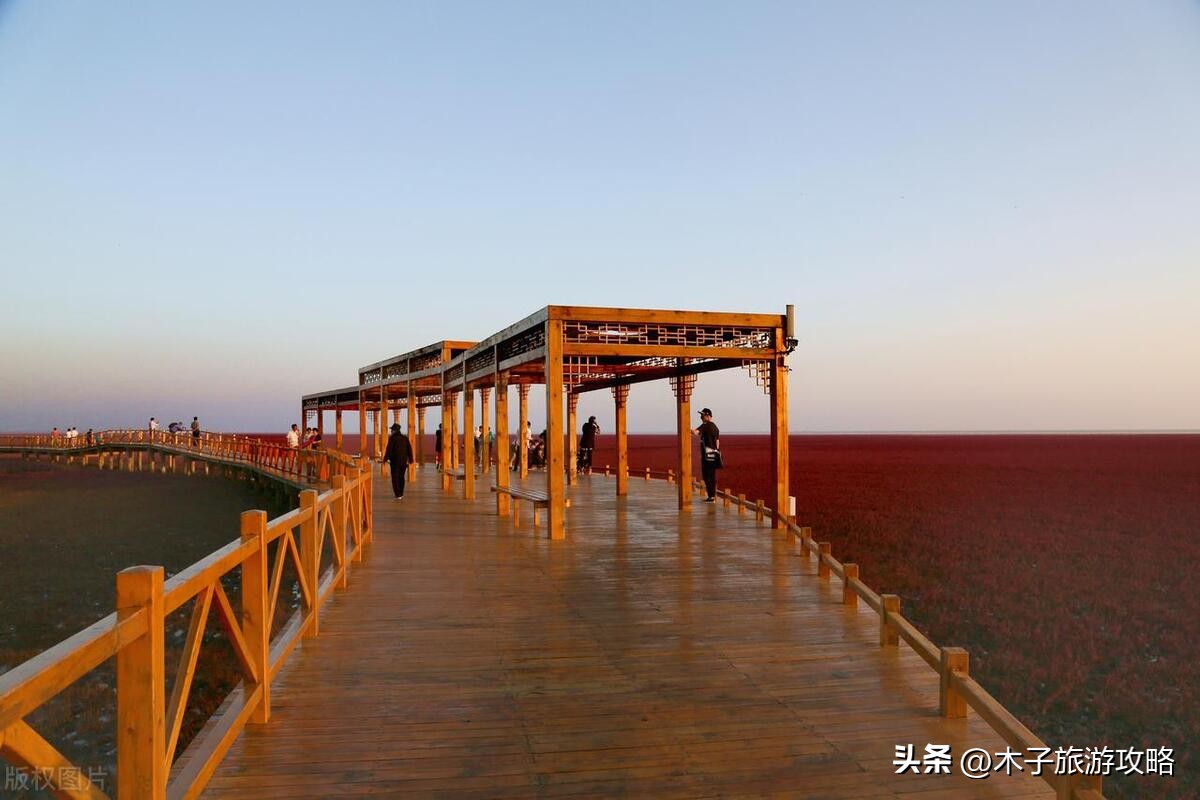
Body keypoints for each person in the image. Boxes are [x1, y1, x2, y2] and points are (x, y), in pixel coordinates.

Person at [694, 407, 721, 502]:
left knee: (706, 475)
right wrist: (717, 452)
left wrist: (685, 428)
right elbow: (718, 442)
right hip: (714, 454)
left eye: (702, 415)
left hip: (707, 455)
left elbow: (695, 432)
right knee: (712, 475)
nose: (701, 417)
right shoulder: (715, 427)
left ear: (708, 416)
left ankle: (711, 496)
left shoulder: (705, 425)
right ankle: (712, 496)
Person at [380, 423, 414, 499]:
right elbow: (409, 449)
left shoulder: (392, 438)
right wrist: (411, 459)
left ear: (394, 430)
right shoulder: (405, 438)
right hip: (403, 461)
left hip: (395, 462)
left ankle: (398, 494)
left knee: (395, 477)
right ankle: (401, 493)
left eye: (391, 429)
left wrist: (385, 459)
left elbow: (389, 449)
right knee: (401, 477)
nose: (391, 431)